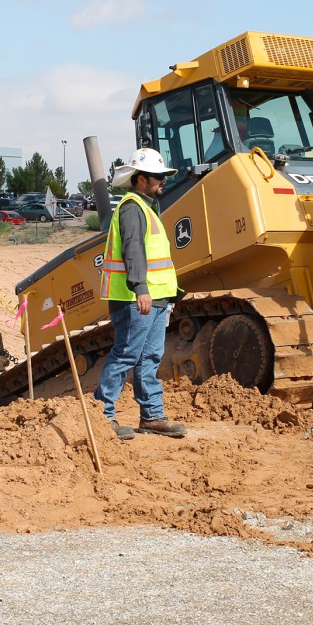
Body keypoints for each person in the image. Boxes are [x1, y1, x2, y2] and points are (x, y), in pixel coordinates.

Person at [95, 148, 187, 440]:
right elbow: (132, 250)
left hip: (156, 299)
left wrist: (164, 297)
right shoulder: (133, 207)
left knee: (150, 358)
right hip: (135, 299)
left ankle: (152, 417)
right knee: (126, 355)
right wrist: (141, 289)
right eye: (158, 177)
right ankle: (102, 416)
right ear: (141, 179)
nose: (163, 181)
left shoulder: (147, 207)